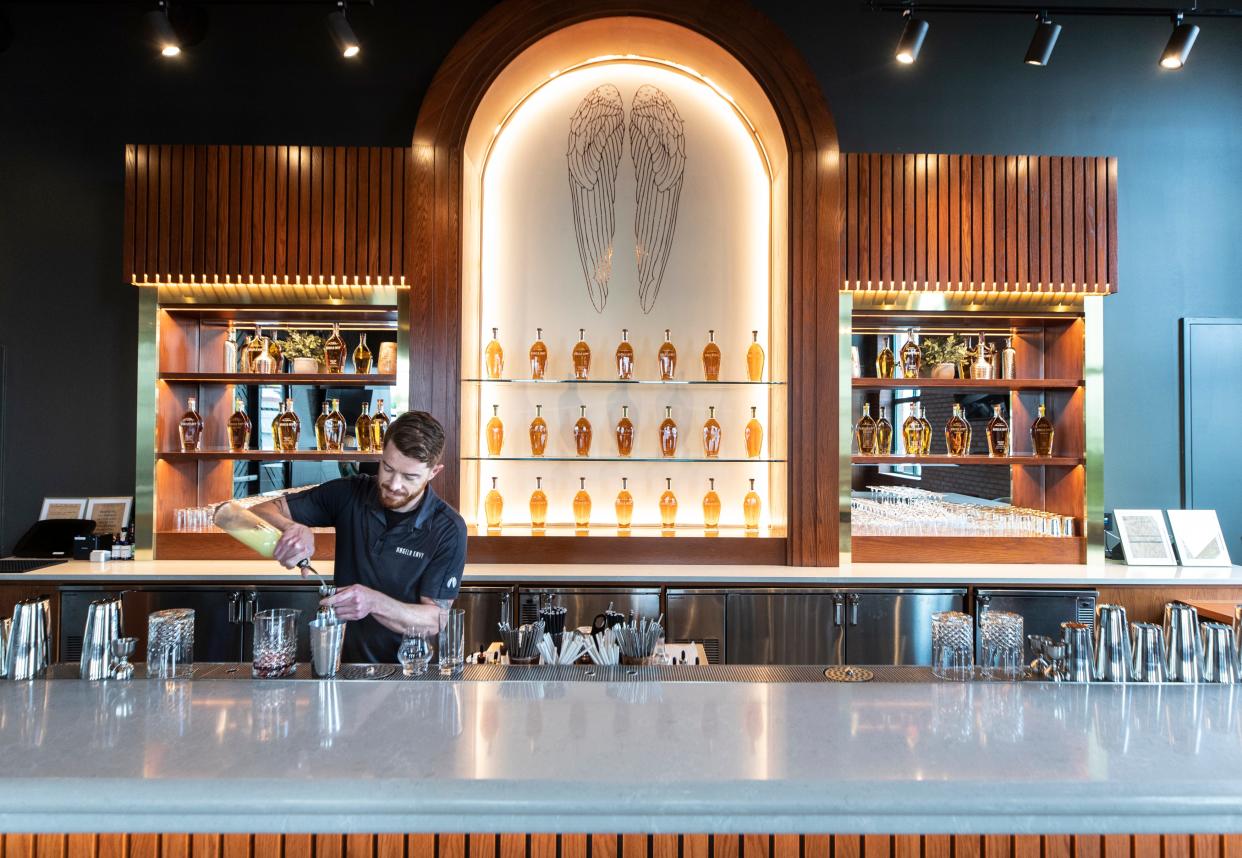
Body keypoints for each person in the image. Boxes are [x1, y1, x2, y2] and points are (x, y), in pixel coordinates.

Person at [250, 410, 466, 663]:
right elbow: (259, 511)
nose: (394, 484)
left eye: (410, 477)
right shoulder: (349, 494)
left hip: (408, 672)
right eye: (388, 468)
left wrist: (373, 602)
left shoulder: (448, 528)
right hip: (342, 666)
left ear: (433, 472)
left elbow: (435, 619)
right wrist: (289, 527)